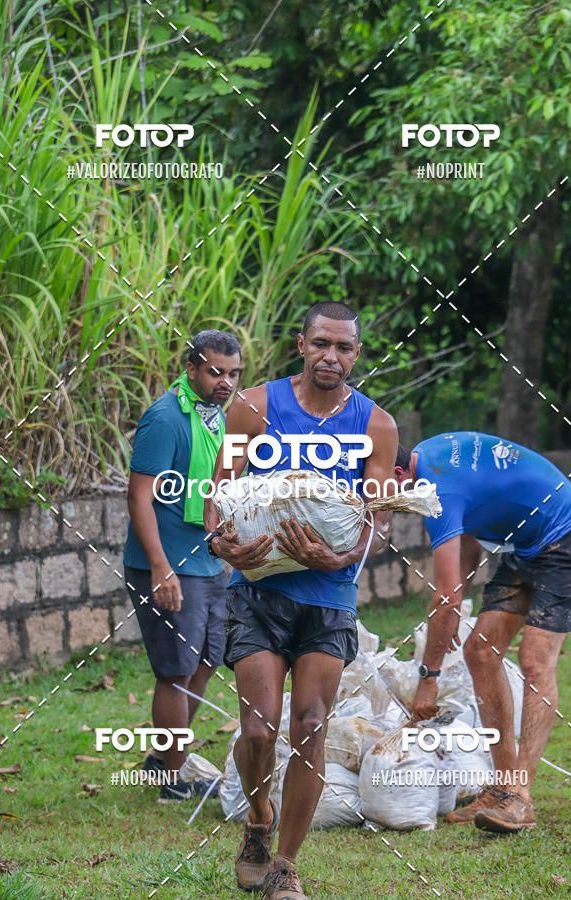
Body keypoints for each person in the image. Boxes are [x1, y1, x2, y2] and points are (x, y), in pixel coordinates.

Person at [203, 301, 398, 899]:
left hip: (329, 596)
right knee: (259, 731)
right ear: (301, 344)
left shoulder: (376, 426)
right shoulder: (254, 406)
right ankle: (258, 821)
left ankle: (285, 865)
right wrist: (224, 548)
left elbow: (380, 515)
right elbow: (217, 498)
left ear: (356, 355)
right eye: (321, 344)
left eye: (342, 348)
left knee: (310, 723)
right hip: (258, 589)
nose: (330, 357)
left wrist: (341, 558)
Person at [393, 432, 571, 832]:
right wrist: (453, 597)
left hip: (565, 537)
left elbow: (447, 595)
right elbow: (467, 541)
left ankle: (520, 795)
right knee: (481, 651)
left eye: (380, 491)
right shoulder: (430, 454)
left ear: (398, 474)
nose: (386, 504)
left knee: (535, 660)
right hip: (525, 546)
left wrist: (428, 678)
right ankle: (504, 788)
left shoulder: (434, 490)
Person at [123, 330, 242, 800]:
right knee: (175, 671)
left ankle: (161, 760)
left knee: (208, 660)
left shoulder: (220, 417)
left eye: (233, 373)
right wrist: (160, 567)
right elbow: (139, 497)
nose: (225, 382)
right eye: (215, 371)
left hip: (209, 563)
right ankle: (172, 779)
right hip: (169, 565)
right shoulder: (166, 418)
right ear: (191, 367)